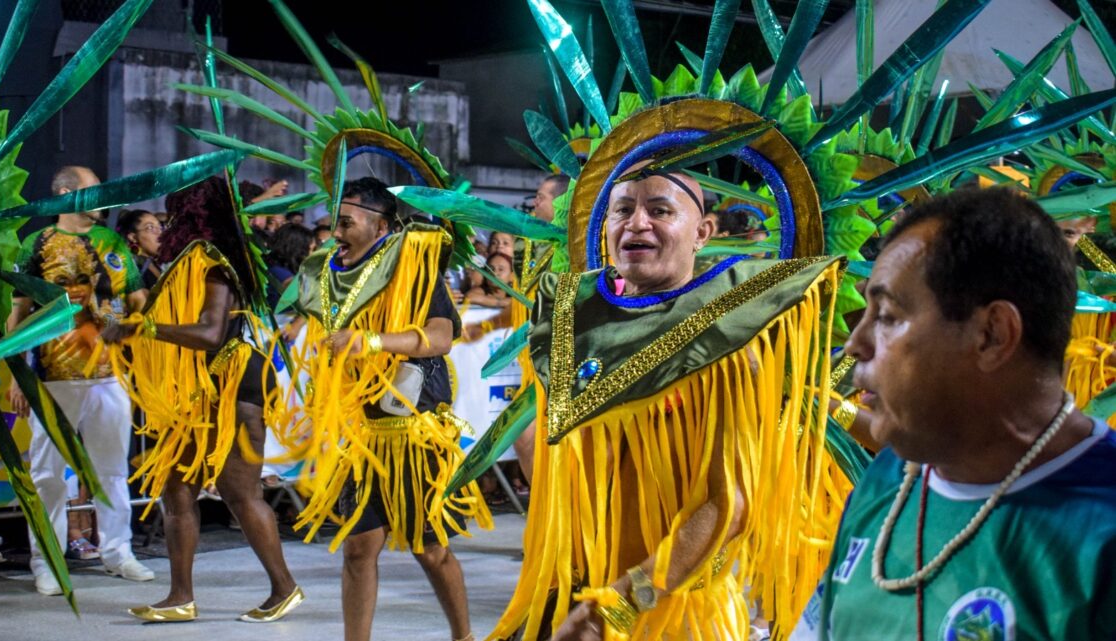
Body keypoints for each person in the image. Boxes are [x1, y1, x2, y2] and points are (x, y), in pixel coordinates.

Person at [489, 167, 849, 641]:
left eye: (659, 211)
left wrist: (623, 603)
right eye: (623, 210)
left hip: (668, 613)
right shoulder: (573, 319)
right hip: (568, 599)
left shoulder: (725, 339)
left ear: (702, 233)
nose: (637, 223)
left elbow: (725, 506)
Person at [791, 188, 1116, 640]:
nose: (855, 344)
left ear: (992, 334)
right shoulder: (888, 478)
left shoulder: (1100, 525)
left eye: (885, 316)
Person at [285, 176, 491, 641]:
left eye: (346, 220)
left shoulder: (410, 269)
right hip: (363, 436)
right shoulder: (328, 274)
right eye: (335, 219)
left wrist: (371, 341)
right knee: (358, 548)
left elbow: (440, 337)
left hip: (413, 433)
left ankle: (465, 637)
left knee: (430, 550)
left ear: (379, 225)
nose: (334, 229)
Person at [102, 176, 302, 623]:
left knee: (240, 492)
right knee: (176, 489)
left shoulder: (215, 263)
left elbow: (211, 332)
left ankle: (285, 587)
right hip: (200, 394)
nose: (168, 223)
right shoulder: (187, 263)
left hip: (234, 386)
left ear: (195, 216)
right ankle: (180, 597)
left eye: (174, 215)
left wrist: (143, 328)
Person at [6, 165, 154, 596]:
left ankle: (117, 552)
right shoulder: (37, 244)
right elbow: (18, 314)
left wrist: (119, 317)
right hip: (52, 378)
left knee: (111, 472)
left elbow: (140, 301)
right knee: (48, 475)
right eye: (93, 192)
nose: (101, 199)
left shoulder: (110, 244)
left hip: (108, 377)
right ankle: (47, 561)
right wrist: (18, 374)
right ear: (68, 193)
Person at [116, 208, 163, 289]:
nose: (159, 232)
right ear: (133, 237)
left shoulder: (153, 263)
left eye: (160, 226)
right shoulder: (131, 270)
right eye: (150, 227)